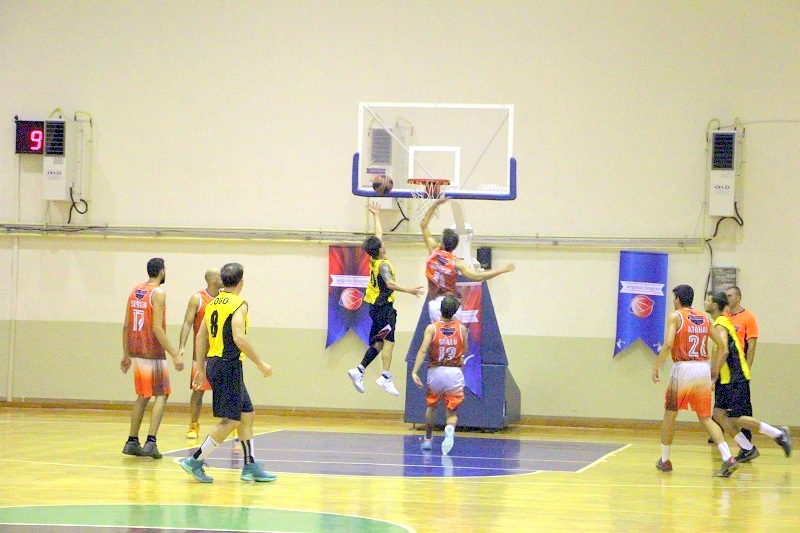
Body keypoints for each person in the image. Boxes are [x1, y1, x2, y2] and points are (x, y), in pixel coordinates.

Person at [179, 262, 275, 483]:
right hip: (227, 365)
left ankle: (250, 465)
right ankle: (194, 461)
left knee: (247, 414)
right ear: (241, 282)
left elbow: (200, 336)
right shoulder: (238, 304)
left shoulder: (213, 303)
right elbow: (239, 338)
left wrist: (200, 368)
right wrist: (260, 363)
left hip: (215, 364)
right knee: (230, 421)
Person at [652, 284, 738, 477]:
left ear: (677, 299)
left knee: (670, 415)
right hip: (702, 368)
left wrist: (656, 365)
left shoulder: (675, 316)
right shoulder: (704, 318)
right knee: (706, 417)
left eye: (674, 298)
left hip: (683, 368)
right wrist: (714, 369)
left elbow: (668, 344)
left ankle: (665, 460)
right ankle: (728, 457)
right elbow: (722, 346)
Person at [704, 291, 791, 461]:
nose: (704, 302)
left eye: (707, 300)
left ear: (714, 305)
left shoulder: (720, 324)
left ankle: (779, 434)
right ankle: (747, 448)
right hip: (726, 378)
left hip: (735, 377)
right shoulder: (720, 322)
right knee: (719, 414)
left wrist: (713, 373)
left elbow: (724, 350)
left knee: (736, 418)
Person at [348, 202, 424, 396]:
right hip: (383, 308)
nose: (384, 243)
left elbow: (378, 234)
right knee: (389, 342)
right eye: (382, 244)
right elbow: (389, 284)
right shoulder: (383, 265)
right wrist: (409, 290)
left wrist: (376, 215)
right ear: (381, 249)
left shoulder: (373, 259)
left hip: (374, 308)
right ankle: (385, 376)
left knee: (379, 343)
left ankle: (359, 370)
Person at [120, 257, 182, 459]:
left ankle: (132, 441)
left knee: (143, 395)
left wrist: (126, 353)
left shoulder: (135, 291)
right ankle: (151, 442)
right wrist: (174, 353)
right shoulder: (158, 293)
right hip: (151, 349)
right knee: (162, 394)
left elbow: (126, 325)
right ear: (162, 271)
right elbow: (157, 328)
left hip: (136, 349)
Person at [420, 197, 514, 322]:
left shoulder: (433, 250)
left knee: (436, 333)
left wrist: (436, 204)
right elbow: (477, 277)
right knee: (457, 334)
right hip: (451, 304)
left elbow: (423, 225)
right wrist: (501, 270)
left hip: (435, 304)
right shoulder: (456, 263)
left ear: (442, 242)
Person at [411, 295, 467, 455]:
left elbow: (423, 350)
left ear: (440, 309)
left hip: (436, 371)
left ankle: (428, 439)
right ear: (454, 312)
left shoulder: (432, 328)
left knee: (431, 406)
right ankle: (450, 428)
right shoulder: (461, 329)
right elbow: (465, 350)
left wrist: (414, 371)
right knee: (452, 412)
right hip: (454, 371)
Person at [178, 268, 222, 439]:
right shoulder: (197, 298)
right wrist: (182, 346)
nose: (223, 277)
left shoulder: (226, 298)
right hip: (202, 353)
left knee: (227, 391)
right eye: (220, 275)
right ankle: (193, 425)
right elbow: (187, 323)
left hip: (220, 352)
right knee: (198, 390)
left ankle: (231, 424)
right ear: (212, 279)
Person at [724, 286, 759, 442]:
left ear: (738, 297)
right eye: (726, 296)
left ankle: (747, 437)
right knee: (722, 403)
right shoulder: (724, 317)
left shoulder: (748, 317)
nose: (727, 298)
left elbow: (751, 346)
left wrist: (747, 368)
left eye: (730, 295)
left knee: (743, 405)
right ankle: (718, 431)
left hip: (739, 367)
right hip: (725, 367)